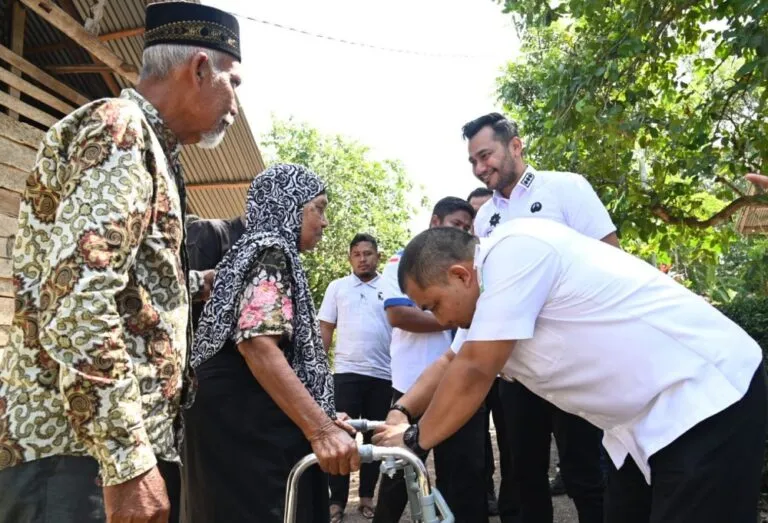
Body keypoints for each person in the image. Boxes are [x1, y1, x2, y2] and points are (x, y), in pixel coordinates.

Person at [0, 3, 241, 522]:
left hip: (95, 457)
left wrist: (196, 283)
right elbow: (79, 301)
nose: (236, 106)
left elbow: (124, 282)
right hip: (75, 455)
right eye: (234, 82)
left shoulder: (150, 148)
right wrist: (128, 461)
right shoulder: (121, 131)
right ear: (199, 68)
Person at [374, 220, 767, 523]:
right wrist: (402, 412)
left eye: (434, 305)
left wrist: (414, 441)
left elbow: (474, 370)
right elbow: (449, 364)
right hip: (638, 428)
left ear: (461, 275)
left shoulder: (514, 251)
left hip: (703, 399)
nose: (438, 319)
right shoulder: (486, 305)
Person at [183, 164, 359, 523]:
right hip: (244, 423)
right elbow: (258, 345)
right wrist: (320, 429)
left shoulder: (248, 250)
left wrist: (318, 409)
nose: (324, 222)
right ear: (288, 206)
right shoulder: (270, 251)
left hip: (227, 416)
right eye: (318, 208)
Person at [463, 112, 611, 523]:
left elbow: (610, 257)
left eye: (486, 155)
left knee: (585, 473)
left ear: (515, 145)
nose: (480, 168)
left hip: (574, 361)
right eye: (473, 161)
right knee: (524, 475)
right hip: (517, 370)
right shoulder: (484, 218)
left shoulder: (566, 188)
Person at [374, 196, 488, 523]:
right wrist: (402, 412)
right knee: (400, 469)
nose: (464, 232)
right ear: (436, 223)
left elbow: (460, 360)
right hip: (415, 384)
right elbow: (398, 314)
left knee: (465, 473)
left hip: (462, 382)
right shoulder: (405, 261)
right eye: (457, 225)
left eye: (468, 228)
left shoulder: (482, 285)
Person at [318, 233, 393, 521]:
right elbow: (326, 328)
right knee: (341, 436)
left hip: (383, 375)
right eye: (357, 254)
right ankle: (336, 501)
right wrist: (320, 371)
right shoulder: (337, 288)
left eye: (368, 253)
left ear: (378, 256)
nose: (363, 259)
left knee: (375, 439)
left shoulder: (391, 287)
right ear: (350, 258)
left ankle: (366, 497)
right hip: (345, 375)